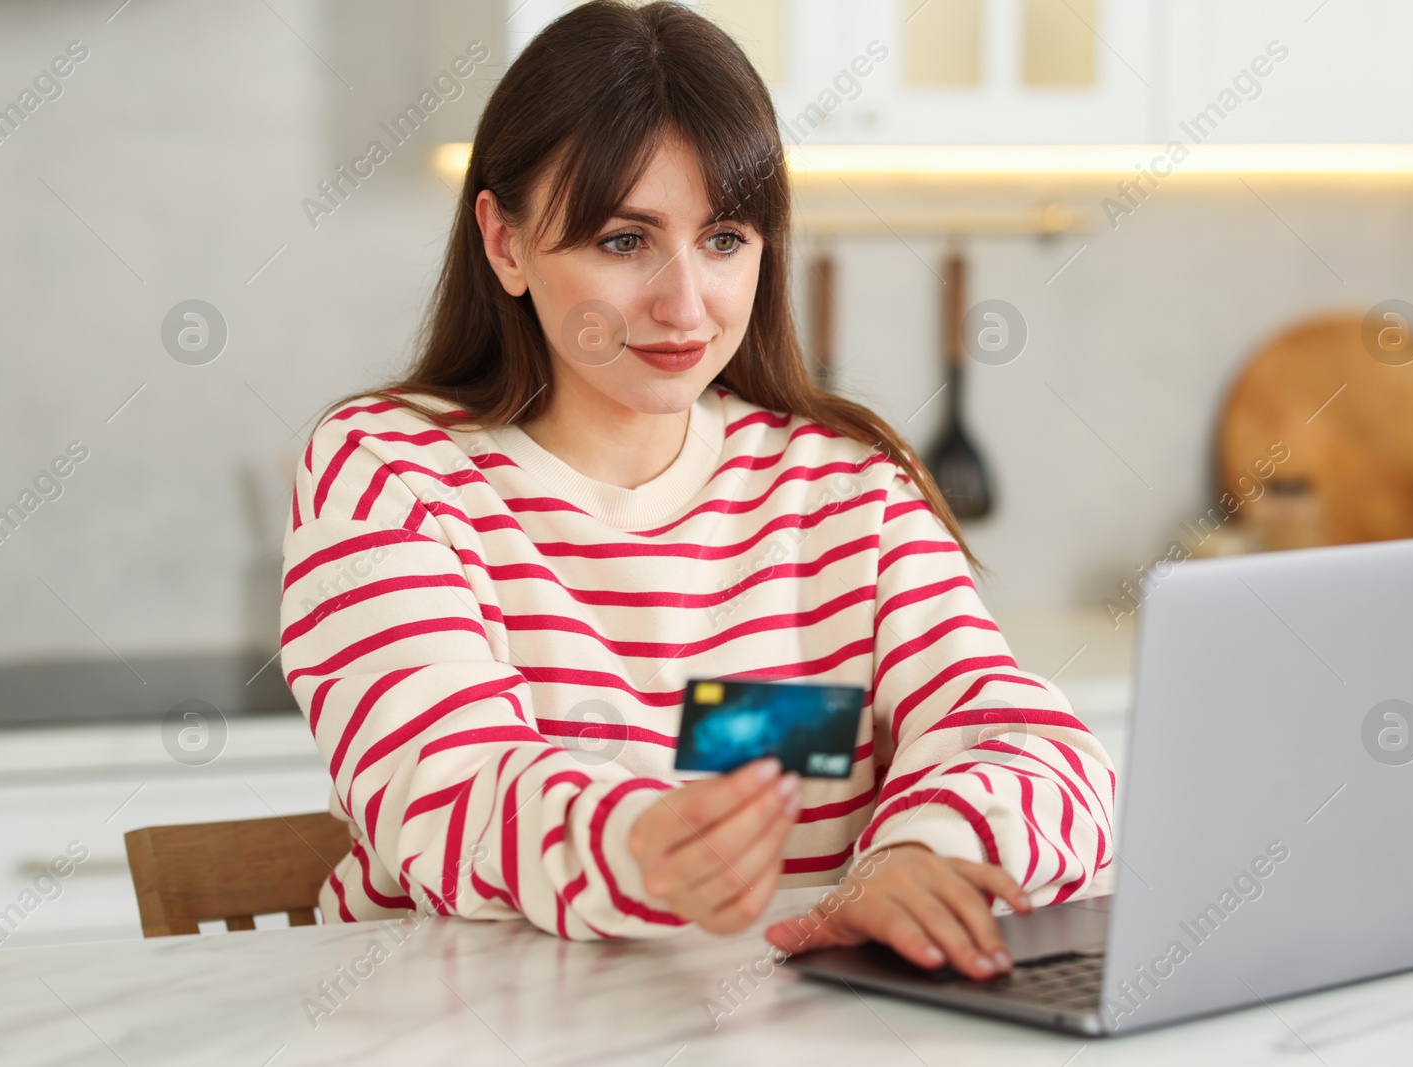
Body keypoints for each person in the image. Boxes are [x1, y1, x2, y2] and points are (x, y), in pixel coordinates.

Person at [279, 0, 1114, 983]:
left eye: (724, 239)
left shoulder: (846, 487)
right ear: (504, 242)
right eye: (624, 241)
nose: (685, 305)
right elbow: (446, 786)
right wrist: (638, 842)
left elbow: (1027, 741)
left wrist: (922, 853)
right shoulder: (387, 471)